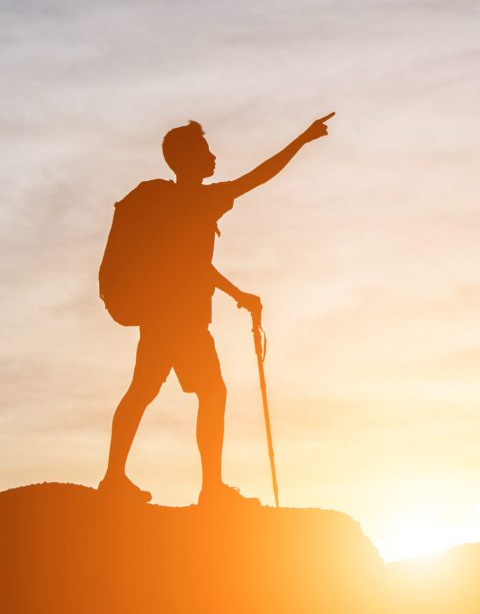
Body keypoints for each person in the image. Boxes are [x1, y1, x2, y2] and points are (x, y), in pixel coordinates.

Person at [99, 112, 334, 506]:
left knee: (144, 391)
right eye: (205, 150)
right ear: (186, 159)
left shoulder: (168, 206)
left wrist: (237, 294)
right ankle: (209, 489)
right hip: (184, 322)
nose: (212, 156)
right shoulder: (201, 200)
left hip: (162, 317)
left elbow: (194, 265)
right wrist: (303, 139)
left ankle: (114, 479)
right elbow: (259, 176)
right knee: (211, 393)